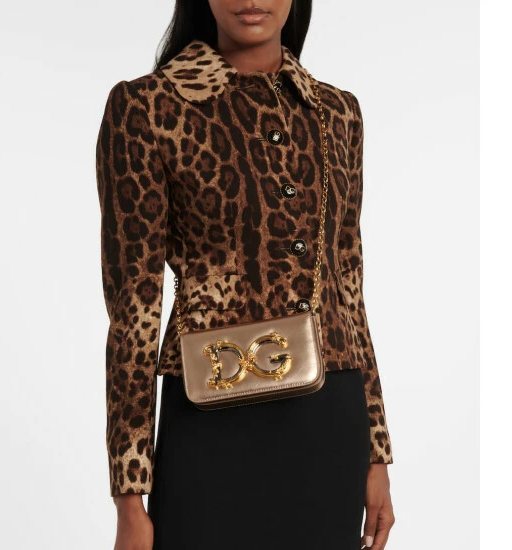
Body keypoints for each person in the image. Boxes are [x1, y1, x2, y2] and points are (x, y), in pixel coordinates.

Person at [95, 1, 395, 549]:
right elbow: (133, 309)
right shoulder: (147, 108)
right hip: (211, 414)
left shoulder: (338, 113)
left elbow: (348, 287)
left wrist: (376, 454)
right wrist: (129, 494)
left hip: (329, 419)